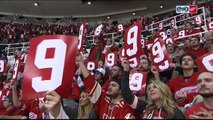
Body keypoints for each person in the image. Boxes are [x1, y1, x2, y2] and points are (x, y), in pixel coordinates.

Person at [45, 52, 138, 119]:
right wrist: (81, 61)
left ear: (121, 90)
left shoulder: (126, 107)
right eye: (110, 85)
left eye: (113, 85)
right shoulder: (104, 101)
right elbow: (90, 83)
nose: (109, 87)